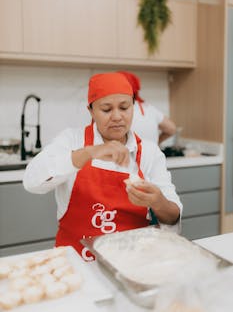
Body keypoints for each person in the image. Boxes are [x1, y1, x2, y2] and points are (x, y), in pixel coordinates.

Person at [23, 72, 182, 261]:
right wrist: (89, 153)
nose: (117, 117)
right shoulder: (71, 140)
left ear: (133, 106)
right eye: (106, 109)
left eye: (124, 107)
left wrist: (158, 202)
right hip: (77, 261)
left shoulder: (149, 153)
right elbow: (31, 181)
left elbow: (172, 218)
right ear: (91, 111)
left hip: (131, 263)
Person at [118, 71, 177, 144]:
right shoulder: (149, 108)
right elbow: (172, 129)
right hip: (152, 154)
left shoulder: (118, 110)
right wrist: (156, 143)